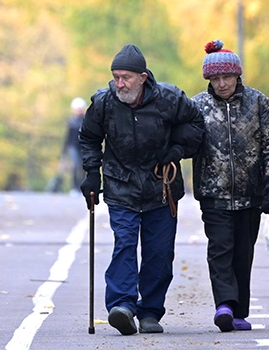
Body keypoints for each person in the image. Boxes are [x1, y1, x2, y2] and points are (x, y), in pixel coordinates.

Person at [79, 44, 205, 336]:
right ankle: (122, 306)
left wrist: (176, 150)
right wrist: (90, 173)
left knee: (159, 253)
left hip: (161, 187)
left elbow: (196, 123)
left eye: (125, 77)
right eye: (115, 77)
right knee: (124, 243)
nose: (119, 83)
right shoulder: (104, 102)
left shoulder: (170, 99)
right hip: (120, 185)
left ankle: (150, 311)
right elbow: (88, 138)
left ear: (143, 77)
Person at [188, 39, 269, 333]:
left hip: (250, 193)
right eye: (215, 78)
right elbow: (186, 140)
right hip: (213, 193)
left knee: (243, 253)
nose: (221, 84)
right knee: (220, 249)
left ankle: (239, 311)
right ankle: (225, 306)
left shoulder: (258, 103)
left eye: (226, 77)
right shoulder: (197, 106)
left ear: (237, 75)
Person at [64, 97, 86, 192]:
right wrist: (64, 151)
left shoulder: (87, 120)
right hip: (73, 147)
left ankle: (83, 187)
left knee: (85, 166)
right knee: (76, 166)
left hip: (84, 146)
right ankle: (75, 187)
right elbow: (68, 137)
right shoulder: (71, 121)